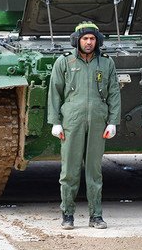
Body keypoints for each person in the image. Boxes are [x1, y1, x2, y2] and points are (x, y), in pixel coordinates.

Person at [47, 22, 121, 230]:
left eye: (92, 39)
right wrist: (55, 122)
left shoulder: (106, 63)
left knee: (94, 172)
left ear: (97, 41)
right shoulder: (64, 61)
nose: (89, 42)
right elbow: (55, 92)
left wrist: (113, 121)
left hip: (98, 120)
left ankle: (96, 215)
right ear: (77, 40)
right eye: (85, 39)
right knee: (69, 171)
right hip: (72, 120)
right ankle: (67, 214)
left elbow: (114, 92)